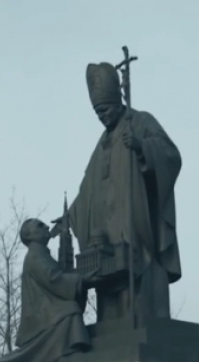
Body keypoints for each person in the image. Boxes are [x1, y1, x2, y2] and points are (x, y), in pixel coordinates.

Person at [66, 61, 183, 323]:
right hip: (105, 234)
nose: (102, 116)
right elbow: (88, 188)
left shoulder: (140, 121)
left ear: (119, 100)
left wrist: (142, 146)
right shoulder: (102, 143)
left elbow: (171, 155)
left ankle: (143, 318)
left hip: (136, 223)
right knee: (108, 283)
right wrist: (70, 215)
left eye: (105, 109)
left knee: (139, 276)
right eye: (97, 112)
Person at [0, 219, 93, 362]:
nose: (46, 227)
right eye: (40, 225)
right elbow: (54, 280)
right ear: (29, 236)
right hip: (42, 316)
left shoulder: (42, 254)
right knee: (70, 311)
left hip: (49, 308)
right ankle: (70, 351)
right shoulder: (35, 256)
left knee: (69, 310)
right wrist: (83, 280)